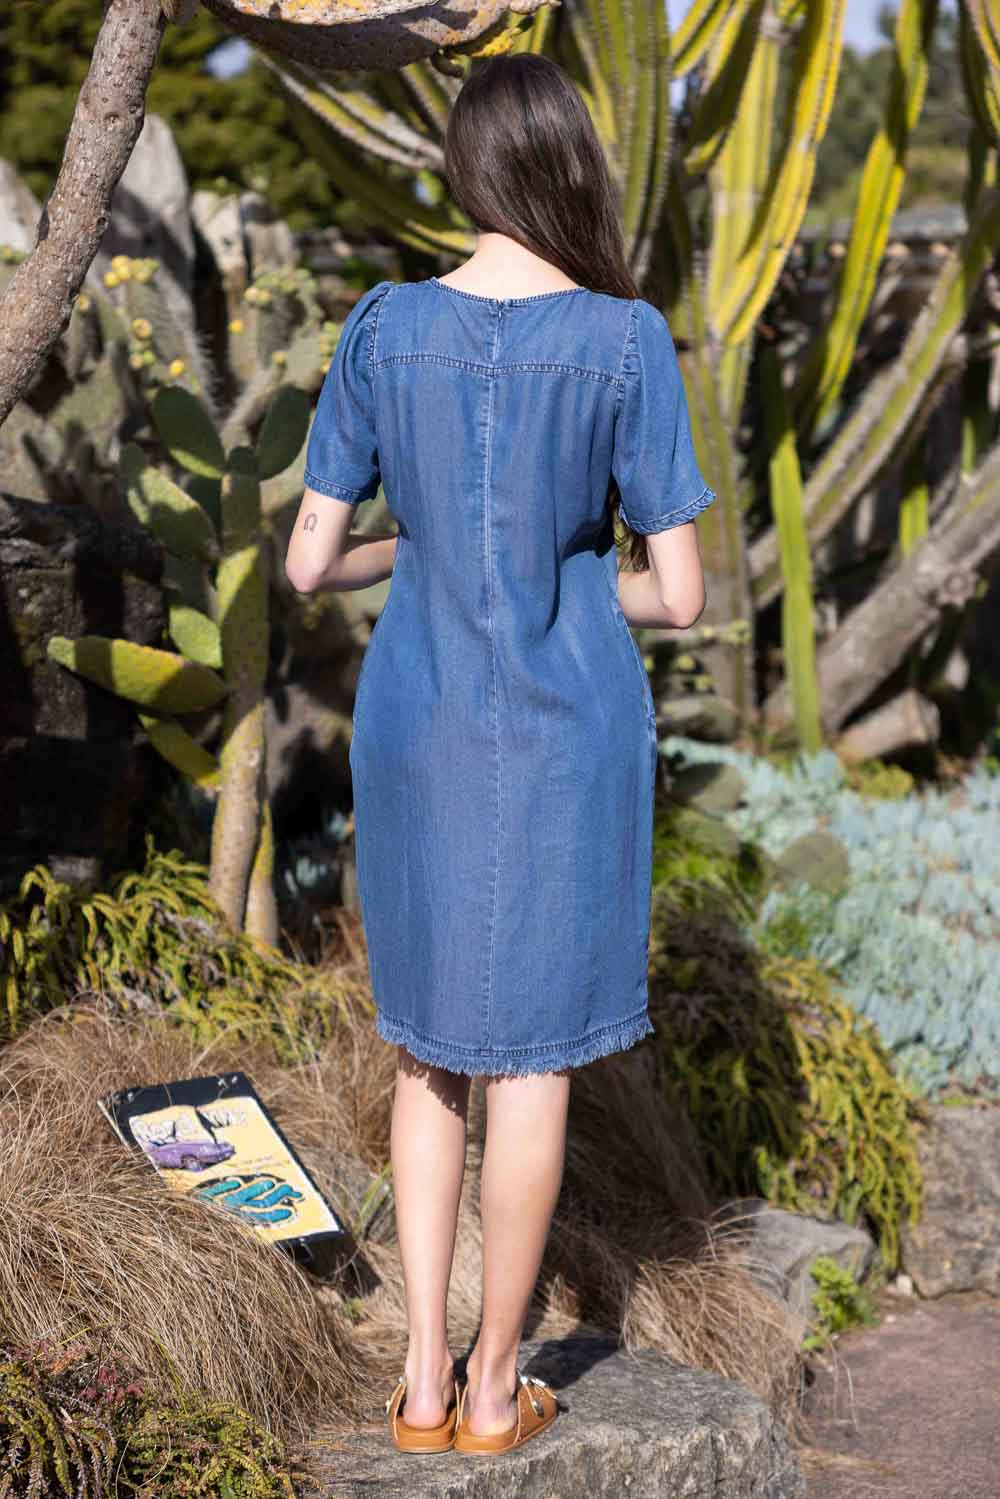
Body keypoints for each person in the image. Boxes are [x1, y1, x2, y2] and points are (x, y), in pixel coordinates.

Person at [285, 52, 716, 1457]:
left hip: (417, 726)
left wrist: (414, 552)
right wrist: (568, 578)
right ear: (571, 165)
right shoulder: (625, 341)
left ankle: (417, 1384)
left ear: (464, 169)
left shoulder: (383, 326)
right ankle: (492, 1389)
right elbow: (681, 594)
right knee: (531, 1068)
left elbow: (307, 564)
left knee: (427, 1056)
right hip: (562, 738)